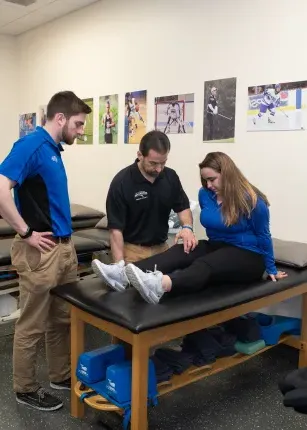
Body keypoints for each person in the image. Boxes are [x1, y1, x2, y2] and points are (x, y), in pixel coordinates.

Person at [94, 151, 288, 304]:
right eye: (205, 180)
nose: (208, 185)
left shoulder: (252, 201)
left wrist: (271, 268)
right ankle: (124, 274)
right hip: (219, 246)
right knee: (182, 251)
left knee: (205, 264)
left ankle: (160, 285)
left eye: (212, 179)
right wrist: (188, 231)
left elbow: (264, 236)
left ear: (227, 174)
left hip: (250, 256)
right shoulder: (206, 195)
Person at [0, 91, 92, 410]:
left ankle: (60, 375)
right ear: (60, 118)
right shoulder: (32, 145)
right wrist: (25, 232)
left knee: (61, 319)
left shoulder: (53, 149)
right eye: (78, 124)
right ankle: (24, 388)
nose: (81, 131)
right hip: (41, 252)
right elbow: (0, 188)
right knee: (32, 323)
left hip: (64, 249)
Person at [91, 130, 197, 289]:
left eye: (163, 162)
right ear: (140, 155)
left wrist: (187, 228)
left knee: (163, 298)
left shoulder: (170, 177)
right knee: (133, 302)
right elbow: (115, 230)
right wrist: (119, 266)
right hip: (133, 252)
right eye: (153, 163)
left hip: (162, 249)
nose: (159, 168)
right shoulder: (122, 182)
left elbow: (183, 207)